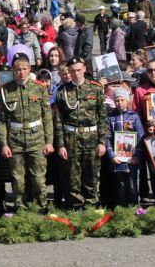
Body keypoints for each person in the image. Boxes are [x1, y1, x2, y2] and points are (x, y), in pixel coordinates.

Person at [0, 56, 54, 211]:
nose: (21, 72)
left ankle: (41, 208)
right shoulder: (5, 90)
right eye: (17, 69)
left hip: (37, 138)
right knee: (17, 179)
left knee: (38, 178)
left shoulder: (40, 88)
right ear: (13, 71)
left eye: (24, 69)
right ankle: (20, 210)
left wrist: (49, 141)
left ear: (29, 69)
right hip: (15, 139)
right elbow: (1, 121)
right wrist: (4, 144)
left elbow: (47, 117)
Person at [53, 57, 107, 209]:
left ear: (85, 69)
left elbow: (103, 117)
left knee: (91, 174)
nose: (76, 74)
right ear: (68, 72)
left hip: (91, 137)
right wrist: (61, 145)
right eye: (72, 71)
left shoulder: (95, 89)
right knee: (73, 176)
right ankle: (76, 208)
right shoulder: (63, 91)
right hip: (71, 137)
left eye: (78, 70)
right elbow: (58, 121)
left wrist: (102, 142)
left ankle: (91, 207)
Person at [105, 87, 144, 207]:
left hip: (132, 160)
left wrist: (137, 155)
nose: (119, 103)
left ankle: (134, 210)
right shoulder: (110, 118)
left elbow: (140, 136)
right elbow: (107, 138)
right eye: (117, 100)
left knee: (133, 185)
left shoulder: (134, 117)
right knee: (120, 186)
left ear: (127, 101)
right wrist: (111, 155)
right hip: (117, 160)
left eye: (122, 100)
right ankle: (122, 211)